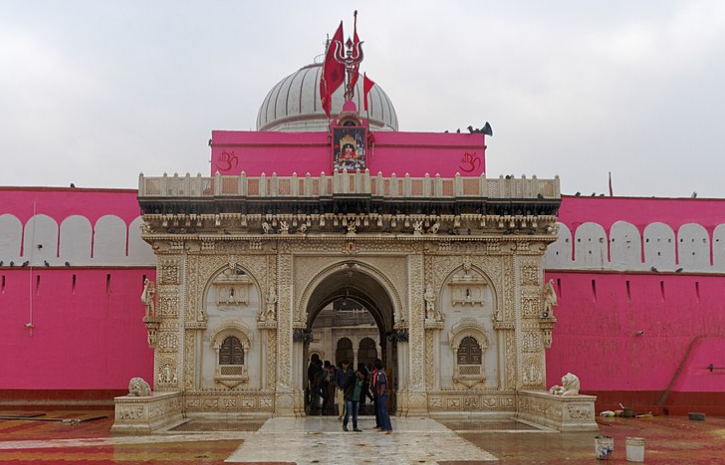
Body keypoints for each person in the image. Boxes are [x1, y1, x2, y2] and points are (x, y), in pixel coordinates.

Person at [342, 367, 366, 432]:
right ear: (359, 373)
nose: (363, 377)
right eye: (362, 375)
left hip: (356, 399)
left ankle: (355, 427)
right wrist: (346, 394)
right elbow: (345, 385)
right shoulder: (352, 377)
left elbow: (363, 389)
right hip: (349, 398)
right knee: (348, 412)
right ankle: (345, 425)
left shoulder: (362, 380)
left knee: (355, 414)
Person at [374, 359, 392, 434]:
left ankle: (388, 428)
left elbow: (383, 384)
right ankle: (383, 426)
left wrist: (381, 393)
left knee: (384, 411)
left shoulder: (381, 374)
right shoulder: (381, 373)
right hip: (382, 394)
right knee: (381, 411)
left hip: (383, 395)